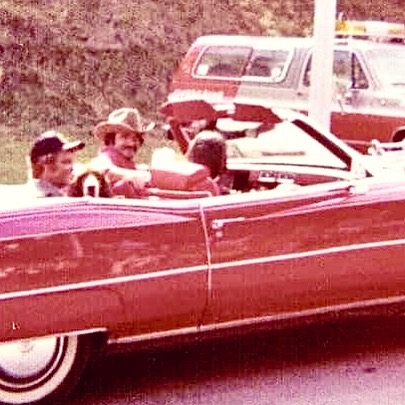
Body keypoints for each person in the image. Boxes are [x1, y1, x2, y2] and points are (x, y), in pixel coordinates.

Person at [91, 107, 155, 197]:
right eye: (124, 137)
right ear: (111, 140)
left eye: (135, 138)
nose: (131, 143)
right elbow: (101, 169)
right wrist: (138, 175)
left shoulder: (128, 164)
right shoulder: (105, 158)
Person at [28, 130, 85, 197]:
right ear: (46, 164)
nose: (72, 168)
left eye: (72, 162)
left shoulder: (65, 193)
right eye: (66, 162)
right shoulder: (37, 198)